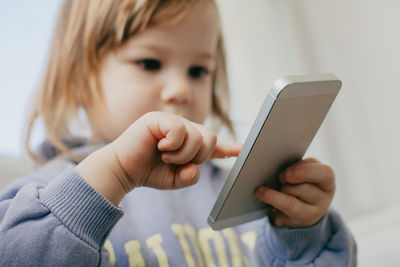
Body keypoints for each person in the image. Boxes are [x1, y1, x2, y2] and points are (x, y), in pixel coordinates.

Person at [0, 0, 356, 266]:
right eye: (150, 63)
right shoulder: (48, 195)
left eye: (198, 70)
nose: (180, 90)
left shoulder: (240, 195)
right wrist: (116, 174)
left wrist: (302, 233)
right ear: (79, 78)